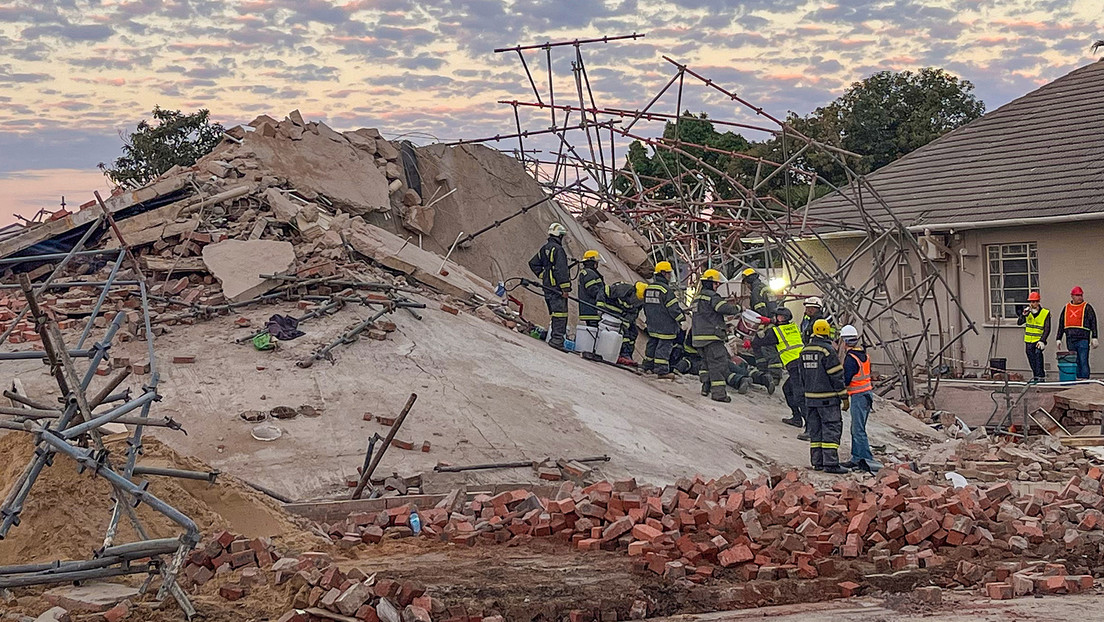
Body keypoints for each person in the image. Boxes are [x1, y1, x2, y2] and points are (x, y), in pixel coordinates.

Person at [800, 319, 849, 474]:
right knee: (831, 428)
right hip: (828, 399)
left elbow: (802, 376)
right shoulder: (827, 350)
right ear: (827, 331)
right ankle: (831, 463)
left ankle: (817, 462)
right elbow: (836, 375)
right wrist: (844, 397)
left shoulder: (805, 350)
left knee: (816, 431)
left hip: (810, 399)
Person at [692, 269, 742, 403]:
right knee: (718, 365)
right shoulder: (712, 297)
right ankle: (719, 394)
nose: (717, 287)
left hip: (698, 338)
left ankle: (705, 387)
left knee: (706, 364)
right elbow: (722, 308)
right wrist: (737, 308)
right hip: (712, 337)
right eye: (716, 284)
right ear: (710, 283)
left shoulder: (697, 298)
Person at [751, 307, 804, 428]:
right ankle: (797, 418)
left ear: (781, 318)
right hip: (800, 363)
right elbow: (779, 324)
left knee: (799, 395)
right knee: (788, 389)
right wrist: (769, 321)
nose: (775, 318)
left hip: (795, 365)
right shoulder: (793, 326)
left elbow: (763, 341)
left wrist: (751, 341)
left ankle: (810, 428)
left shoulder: (776, 332)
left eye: (776, 316)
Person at [840, 325, 879, 472]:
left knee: (858, 429)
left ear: (845, 341)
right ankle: (857, 457)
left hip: (859, 396)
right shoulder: (864, 355)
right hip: (866, 395)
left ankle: (865, 459)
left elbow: (847, 379)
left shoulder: (850, 359)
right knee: (857, 428)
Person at [527, 223, 571, 350]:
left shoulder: (545, 248)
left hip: (547, 287)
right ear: (559, 236)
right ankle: (557, 340)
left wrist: (544, 276)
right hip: (556, 288)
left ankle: (554, 338)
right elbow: (561, 271)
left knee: (555, 313)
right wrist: (565, 289)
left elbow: (533, 263)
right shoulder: (558, 250)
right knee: (560, 314)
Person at [643, 261, 686, 378]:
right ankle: (661, 370)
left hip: (652, 323)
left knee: (652, 344)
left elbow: (646, 306)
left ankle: (647, 366)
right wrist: (681, 318)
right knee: (664, 346)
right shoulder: (666, 290)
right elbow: (673, 309)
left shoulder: (648, 288)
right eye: (668, 273)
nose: (669, 276)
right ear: (663, 273)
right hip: (666, 325)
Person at [596, 281, 646, 365]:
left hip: (623, 316)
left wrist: (627, 322)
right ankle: (621, 353)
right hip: (610, 311)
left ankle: (627, 354)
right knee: (624, 333)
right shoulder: (621, 289)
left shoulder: (640, 301)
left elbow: (634, 313)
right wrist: (600, 307)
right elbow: (603, 291)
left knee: (633, 332)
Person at [1057, 286, 1098, 380]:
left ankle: (1084, 381)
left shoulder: (1087, 307)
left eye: (1081, 295)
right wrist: (1058, 338)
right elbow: (1061, 323)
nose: (1079, 297)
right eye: (1077, 295)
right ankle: (1077, 380)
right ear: (1072, 296)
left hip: (1083, 339)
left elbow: (1093, 322)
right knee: (1074, 362)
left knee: (1083, 361)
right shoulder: (1066, 308)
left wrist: (1094, 337)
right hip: (1070, 338)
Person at [1016, 291, 1050, 382]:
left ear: (1038, 302)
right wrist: (1023, 315)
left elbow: (1047, 328)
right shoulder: (1027, 312)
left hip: (1038, 340)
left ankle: (1040, 377)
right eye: (1031, 302)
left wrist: (1042, 340)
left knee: (1038, 357)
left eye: (1034, 301)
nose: (1032, 304)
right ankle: (1035, 376)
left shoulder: (1045, 312)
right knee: (1031, 359)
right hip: (1028, 340)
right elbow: (1019, 323)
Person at [577, 250, 605, 327]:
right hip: (592, 309)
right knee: (593, 330)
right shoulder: (589, 273)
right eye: (596, 262)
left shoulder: (589, 272)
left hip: (590, 309)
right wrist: (604, 295)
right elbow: (593, 290)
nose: (597, 264)